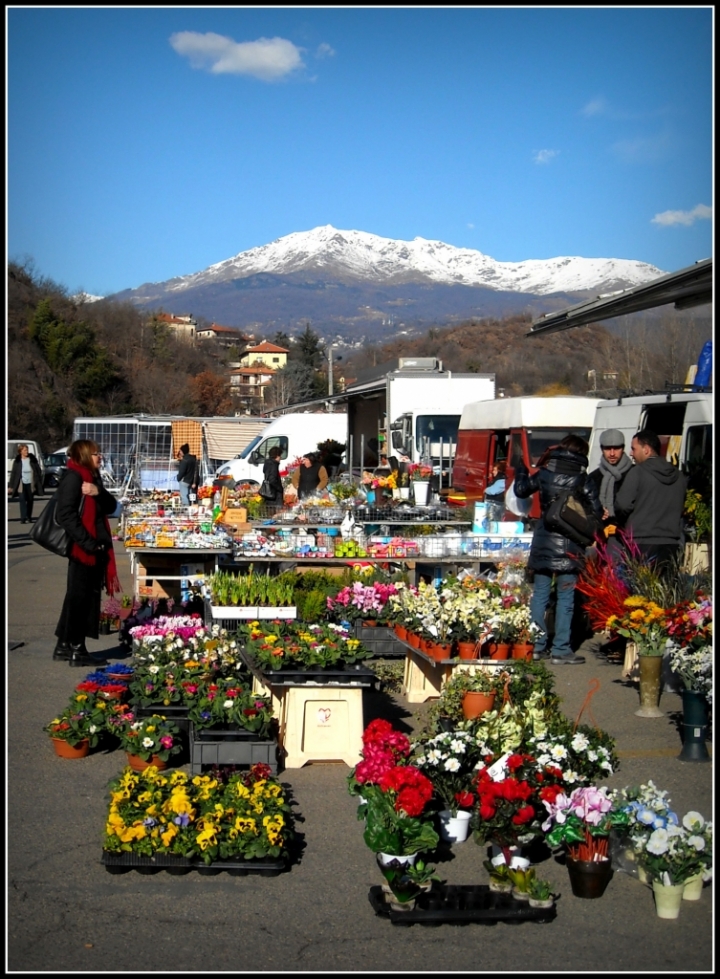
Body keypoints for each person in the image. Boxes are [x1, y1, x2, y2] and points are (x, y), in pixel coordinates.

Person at [514, 434, 602, 666]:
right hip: (570, 545)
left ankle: (536, 645)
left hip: (544, 541)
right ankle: (561, 649)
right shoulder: (582, 479)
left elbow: (521, 490)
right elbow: (596, 510)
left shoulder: (545, 473)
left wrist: (521, 469)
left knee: (540, 595)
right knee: (566, 598)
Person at [52, 440, 121, 667]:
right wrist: (88, 543)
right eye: (95, 453)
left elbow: (111, 506)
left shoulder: (92, 478)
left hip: (92, 547)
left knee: (76, 596)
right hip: (84, 550)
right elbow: (65, 515)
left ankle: (64, 645)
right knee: (83, 599)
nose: (99, 457)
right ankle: (78, 650)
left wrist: (97, 491)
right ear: (83, 455)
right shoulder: (74, 477)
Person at [614, 428, 687, 573]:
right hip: (670, 542)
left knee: (639, 591)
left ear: (646, 450)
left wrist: (622, 520)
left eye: (634, 449)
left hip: (641, 541)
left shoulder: (638, 472)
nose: (630, 453)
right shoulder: (679, 476)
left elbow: (622, 504)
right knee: (663, 592)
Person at [587, 429, 633, 528]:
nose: (612, 454)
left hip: (631, 533)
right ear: (601, 449)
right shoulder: (593, 478)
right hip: (602, 533)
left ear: (623, 448)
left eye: (616, 448)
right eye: (608, 449)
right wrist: (599, 513)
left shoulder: (635, 473)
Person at [8, 443, 43, 524]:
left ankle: (29, 517)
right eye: (24, 450)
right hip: (21, 483)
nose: (26, 451)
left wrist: (38, 481)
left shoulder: (32, 460)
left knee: (30, 500)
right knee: (22, 500)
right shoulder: (17, 461)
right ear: (20, 451)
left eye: (27, 450)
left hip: (31, 483)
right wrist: (11, 486)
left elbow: (38, 470)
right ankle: (23, 518)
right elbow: (14, 474)